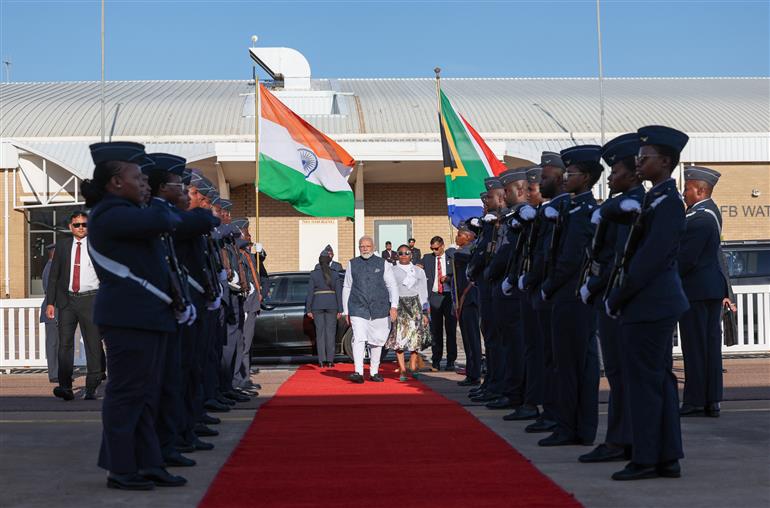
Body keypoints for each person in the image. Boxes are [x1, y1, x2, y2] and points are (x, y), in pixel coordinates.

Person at [83, 141, 189, 489]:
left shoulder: (127, 211)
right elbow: (165, 216)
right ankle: (121, 468)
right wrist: (160, 200)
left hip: (146, 314)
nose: (145, 183)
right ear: (115, 182)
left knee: (146, 395)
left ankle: (147, 462)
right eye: (138, 176)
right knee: (127, 396)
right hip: (129, 316)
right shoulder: (111, 213)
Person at [605, 125, 689, 481]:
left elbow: (649, 259)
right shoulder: (654, 199)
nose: (639, 162)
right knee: (658, 381)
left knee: (646, 383)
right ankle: (667, 457)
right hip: (648, 302)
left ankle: (647, 458)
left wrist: (619, 294)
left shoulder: (668, 202)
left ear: (666, 162)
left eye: (645, 157)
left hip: (650, 303)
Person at [577, 133, 643, 463]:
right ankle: (619, 438)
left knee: (623, 375)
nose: (611, 177)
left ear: (632, 173)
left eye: (616, 171)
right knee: (617, 374)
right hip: (609, 295)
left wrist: (602, 287)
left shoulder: (634, 206)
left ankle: (623, 441)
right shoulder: (615, 206)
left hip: (620, 298)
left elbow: (622, 257)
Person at [538, 145, 602, 447]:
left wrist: (549, 286)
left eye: (572, 174)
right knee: (575, 365)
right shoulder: (574, 208)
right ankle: (579, 426)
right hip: (571, 296)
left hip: (572, 296)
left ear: (586, 177)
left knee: (572, 366)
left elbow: (570, 258)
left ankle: (571, 427)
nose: (566, 179)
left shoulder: (582, 211)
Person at [678, 166, 728, 417]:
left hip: (696, 290)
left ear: (699, 190)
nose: (684, 193)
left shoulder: (700, 218)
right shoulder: (708, 213)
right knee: (707, 346)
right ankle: (710, 400)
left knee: (696, 347)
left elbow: (687, 259)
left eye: (687, 188)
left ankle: (696, 400)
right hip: (708, 288)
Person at [46, 211, 104, 401]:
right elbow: (54, 276)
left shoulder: (98, 244)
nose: (81, 228)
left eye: (84, 225)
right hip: (67, 300)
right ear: (71, 227)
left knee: (93, 344)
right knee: (64, 345)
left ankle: (91, 387)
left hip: (91, 299)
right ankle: (65, 387)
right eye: (77, 225)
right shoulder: (62, 246)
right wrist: (51, 303)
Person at [342, 235, 399, 383]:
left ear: (373, 247)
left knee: (377, 341)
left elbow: (392, 285)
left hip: (380, 308)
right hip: (358, 307)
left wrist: (394, 306)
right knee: (359, 339)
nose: (364, 249)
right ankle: (358, 372)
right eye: (362, 246)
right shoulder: (352, 263)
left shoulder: (383, 263)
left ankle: (374, 372)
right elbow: (347, 287)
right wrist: (346, 311)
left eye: (367, 246)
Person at [384, 244, 431, 381]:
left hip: (415, 305)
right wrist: (391, 307)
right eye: (401, 253)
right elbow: (388, 289)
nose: (404, 255)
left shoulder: (418, 271)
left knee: (415, 337)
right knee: (399, 337)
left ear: (411, 255)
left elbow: (423, 291)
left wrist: (424, 311)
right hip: (399, 304)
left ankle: (413, 365)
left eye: (407, 253)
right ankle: (402, 370)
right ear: (397, 255)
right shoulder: (391, 270)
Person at [421, 235, 456, 371]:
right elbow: (418, 267)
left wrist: (448, 278)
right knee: (436, 330)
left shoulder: (451, 257)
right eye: (432, 248)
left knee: (451, 329)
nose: (434, 251)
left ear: (442, 246)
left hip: (448, 296)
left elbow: (458, 274)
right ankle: (436, 360)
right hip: (434, 296)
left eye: (436, 248)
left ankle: (451, 361)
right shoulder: (427, 258)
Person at [452, 225, 481, 386]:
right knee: (467, 339)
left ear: (469, 237)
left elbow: (459, 255)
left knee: (472, 339)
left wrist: (452, 252)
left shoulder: (469, 249)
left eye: (460, 235)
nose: (457, 238)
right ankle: (471, 372)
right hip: (464, 300)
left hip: (470, 299)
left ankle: (475, 373)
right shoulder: (464, 250)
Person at [306, 246, 344, 367]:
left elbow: (310, 292)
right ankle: (330, 360)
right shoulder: (334, 274)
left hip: (317, 305)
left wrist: (308, 309)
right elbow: (339, 292)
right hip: (332, 305)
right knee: (330, 333)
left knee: (320, 333)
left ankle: (322, 360)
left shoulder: (314, 274)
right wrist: (340, 309)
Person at [41, 243, 59, 384]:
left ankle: (58, 372)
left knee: (57, 343)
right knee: (53, 343)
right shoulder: (51, 267)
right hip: (52, 309)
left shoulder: (52, 267)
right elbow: (50, 290)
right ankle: (54, 373)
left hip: (56, 309)